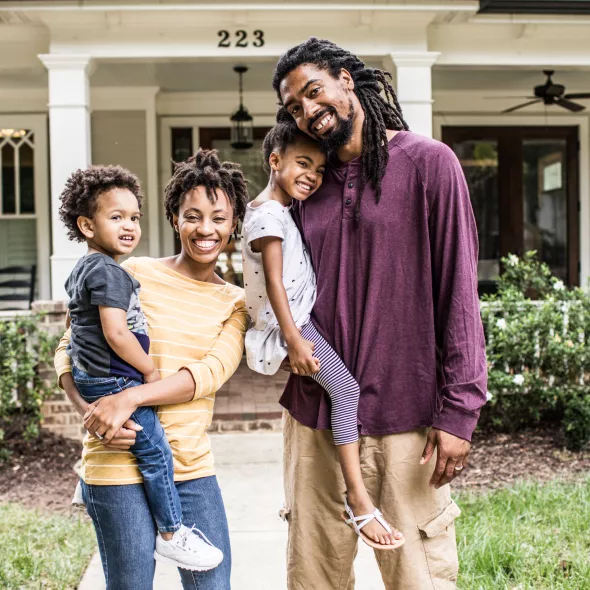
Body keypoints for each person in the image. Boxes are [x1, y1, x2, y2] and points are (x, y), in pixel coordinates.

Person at [272, 38, 488, 589]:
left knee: (419, 578)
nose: (308, 112)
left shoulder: (428, 164)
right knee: (312, 576)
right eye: (294, 107)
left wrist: (460, 409)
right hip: (316, 414)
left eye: (313, 92)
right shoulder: (303, 186)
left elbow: (458, 290)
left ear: (348, 79)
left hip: (407, 419)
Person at [54, 149, 249, 590]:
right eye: (192, 216)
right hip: (115, 458)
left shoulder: (236, 302)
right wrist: (91, 410)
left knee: (213, 584)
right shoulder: (133, 272)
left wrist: (130, 398)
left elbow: (208, 374)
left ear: (233, 224)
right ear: (174, 219)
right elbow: (70, 345)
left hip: (188, 464)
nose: (205, 229)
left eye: (219, 218)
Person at [242, 122, 404, 550]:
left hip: (297, 323)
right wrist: (295, 340)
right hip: (294, 327)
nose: (312, 176)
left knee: (343, 391)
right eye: (302, 163)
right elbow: (275, 283)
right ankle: (358, 497)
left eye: (317, 167)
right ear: (274, 161)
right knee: (346, 391)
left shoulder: (279, 210)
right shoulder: (269, 216)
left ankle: (355, 495)